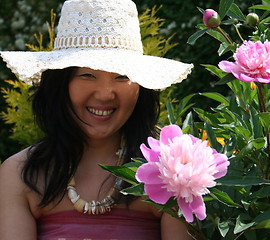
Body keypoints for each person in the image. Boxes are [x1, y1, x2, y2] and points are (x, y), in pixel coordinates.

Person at [0, 0, 194, 239]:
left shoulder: (176, 172)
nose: (104, 94)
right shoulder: (20, 174)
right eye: (88, 75)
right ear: (61, 84)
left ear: (141, 88)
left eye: (122, 77)